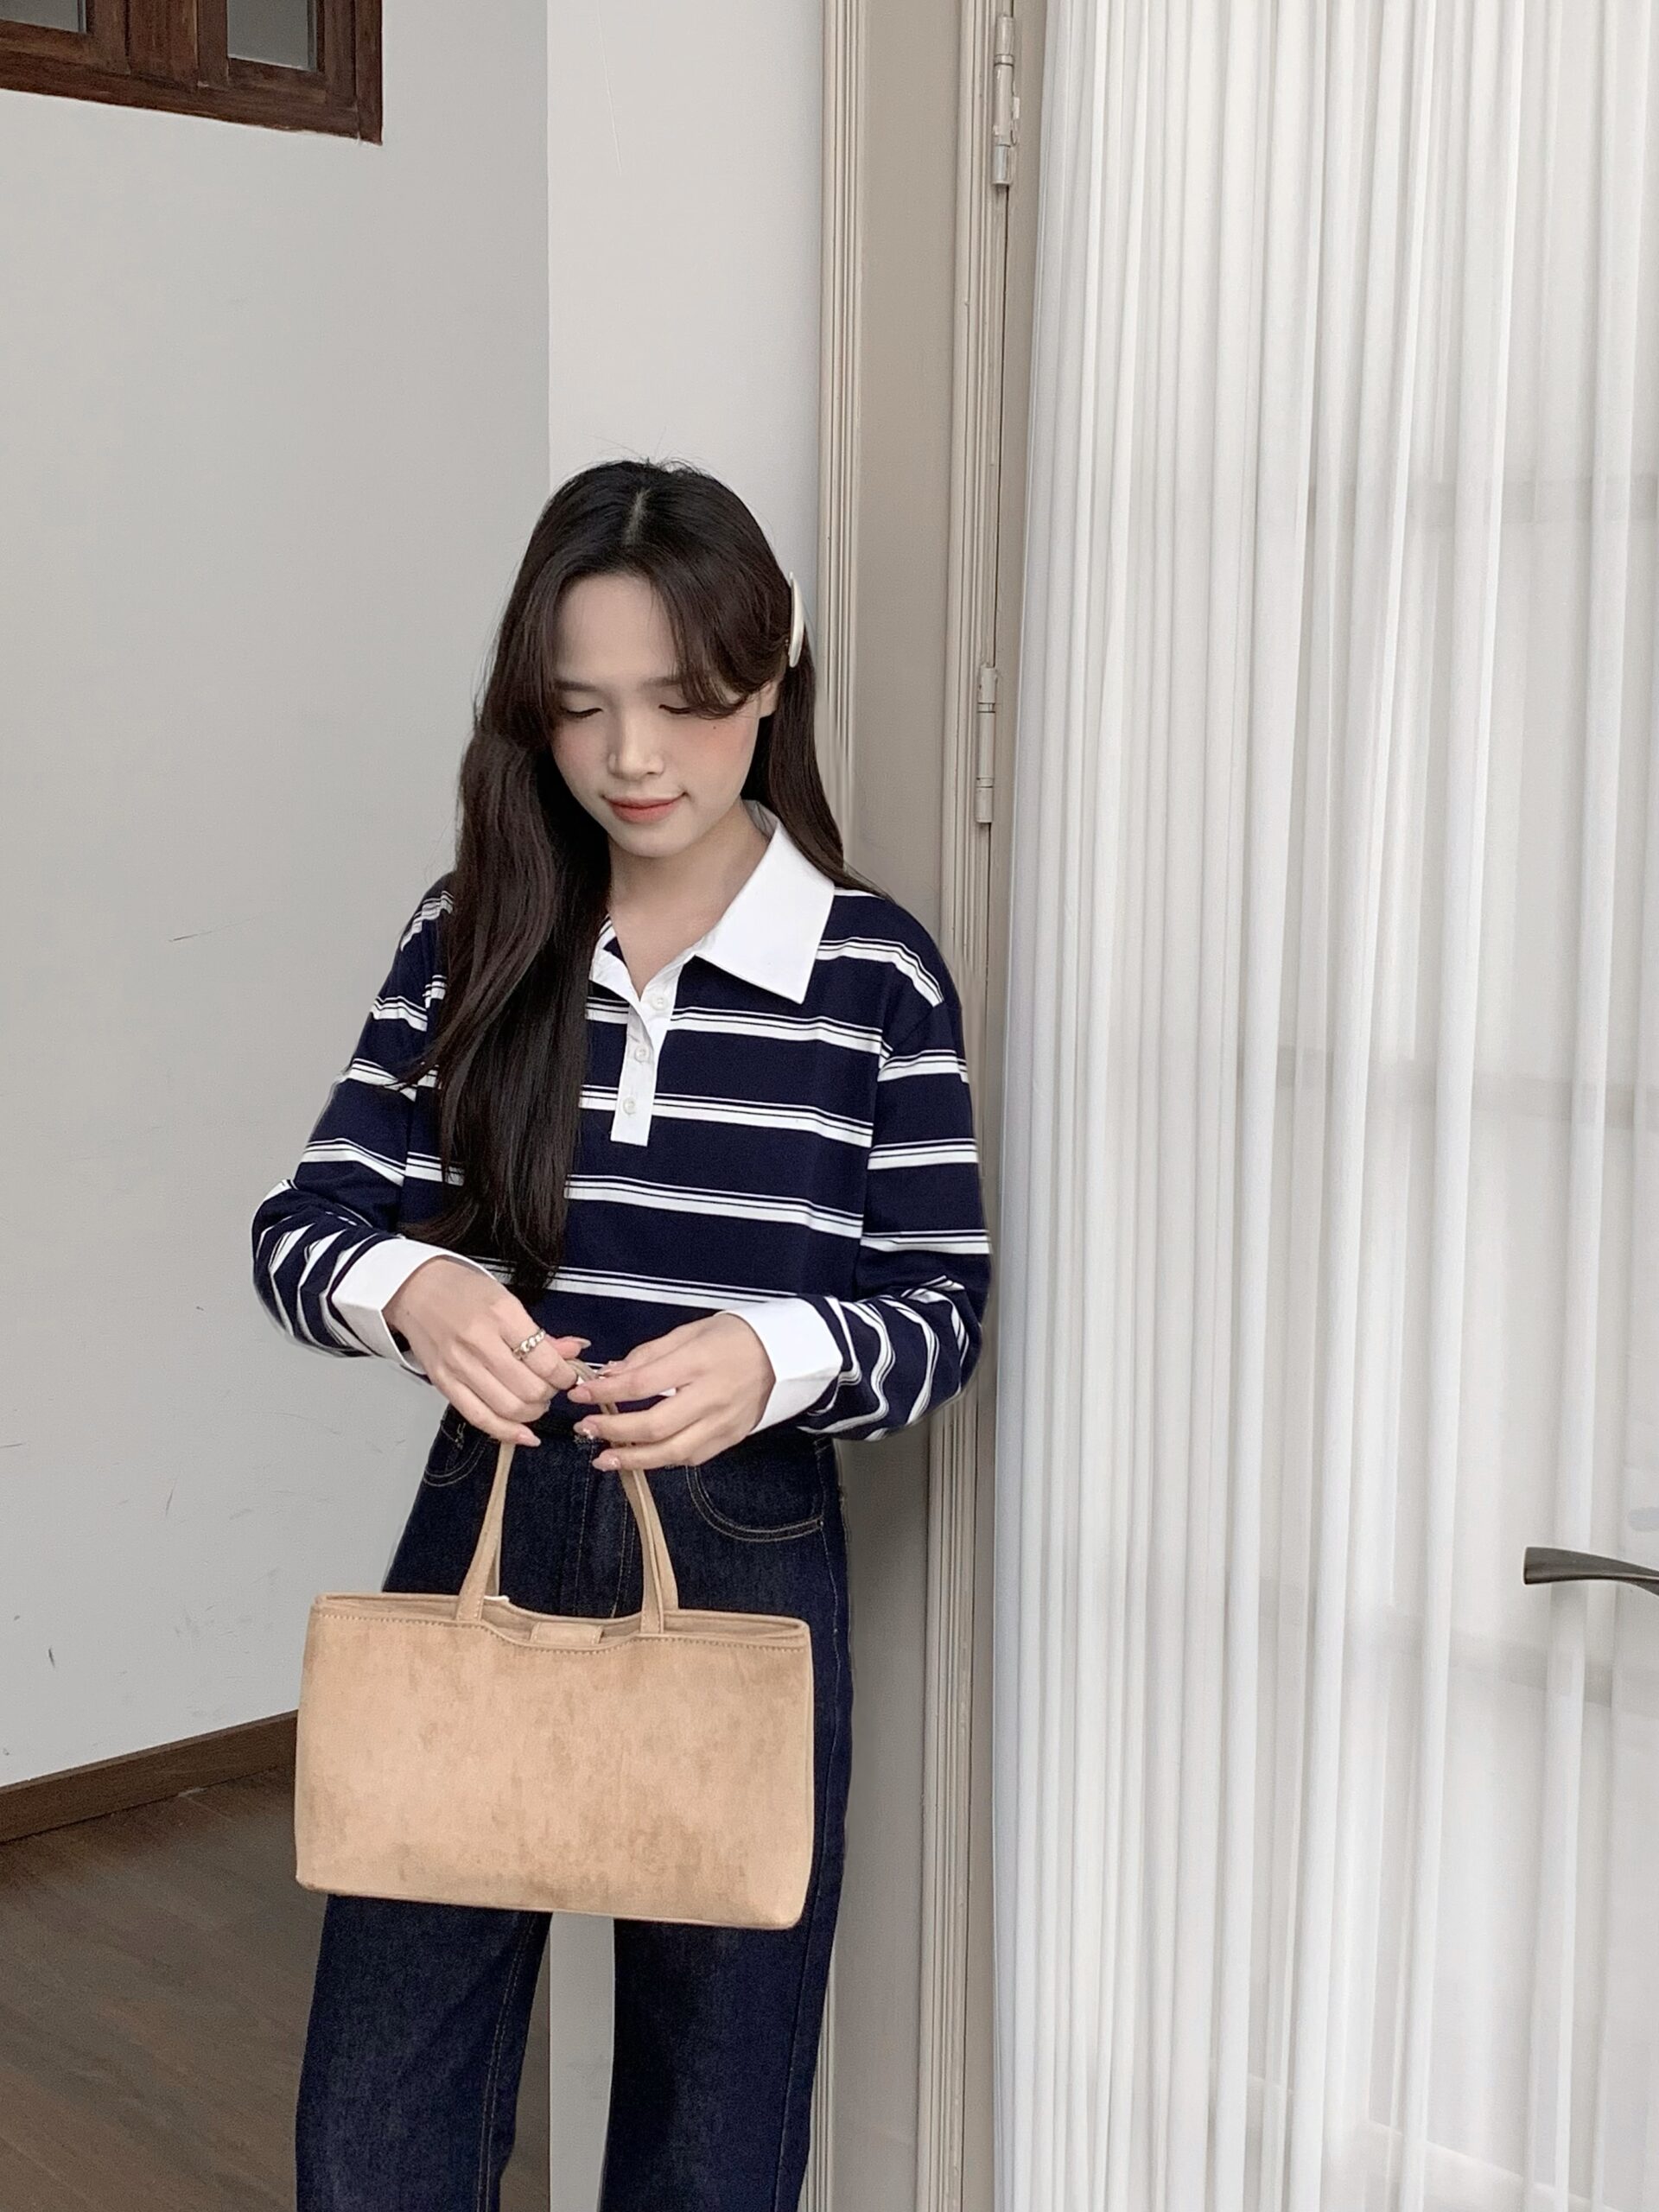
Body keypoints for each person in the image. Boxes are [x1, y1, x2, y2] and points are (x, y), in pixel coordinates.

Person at [251, 456, 993, 2212]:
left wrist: (773, 1354)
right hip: (489, 1510)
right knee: (376, 2119)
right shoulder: (474, 932)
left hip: (748, 1545)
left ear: (772, 676)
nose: (633, 756)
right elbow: (300, 1231)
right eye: (581, 707)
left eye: (683, 699)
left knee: (716, 2121)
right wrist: (417, 1290)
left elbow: (942, 1305)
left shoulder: (872, 975)